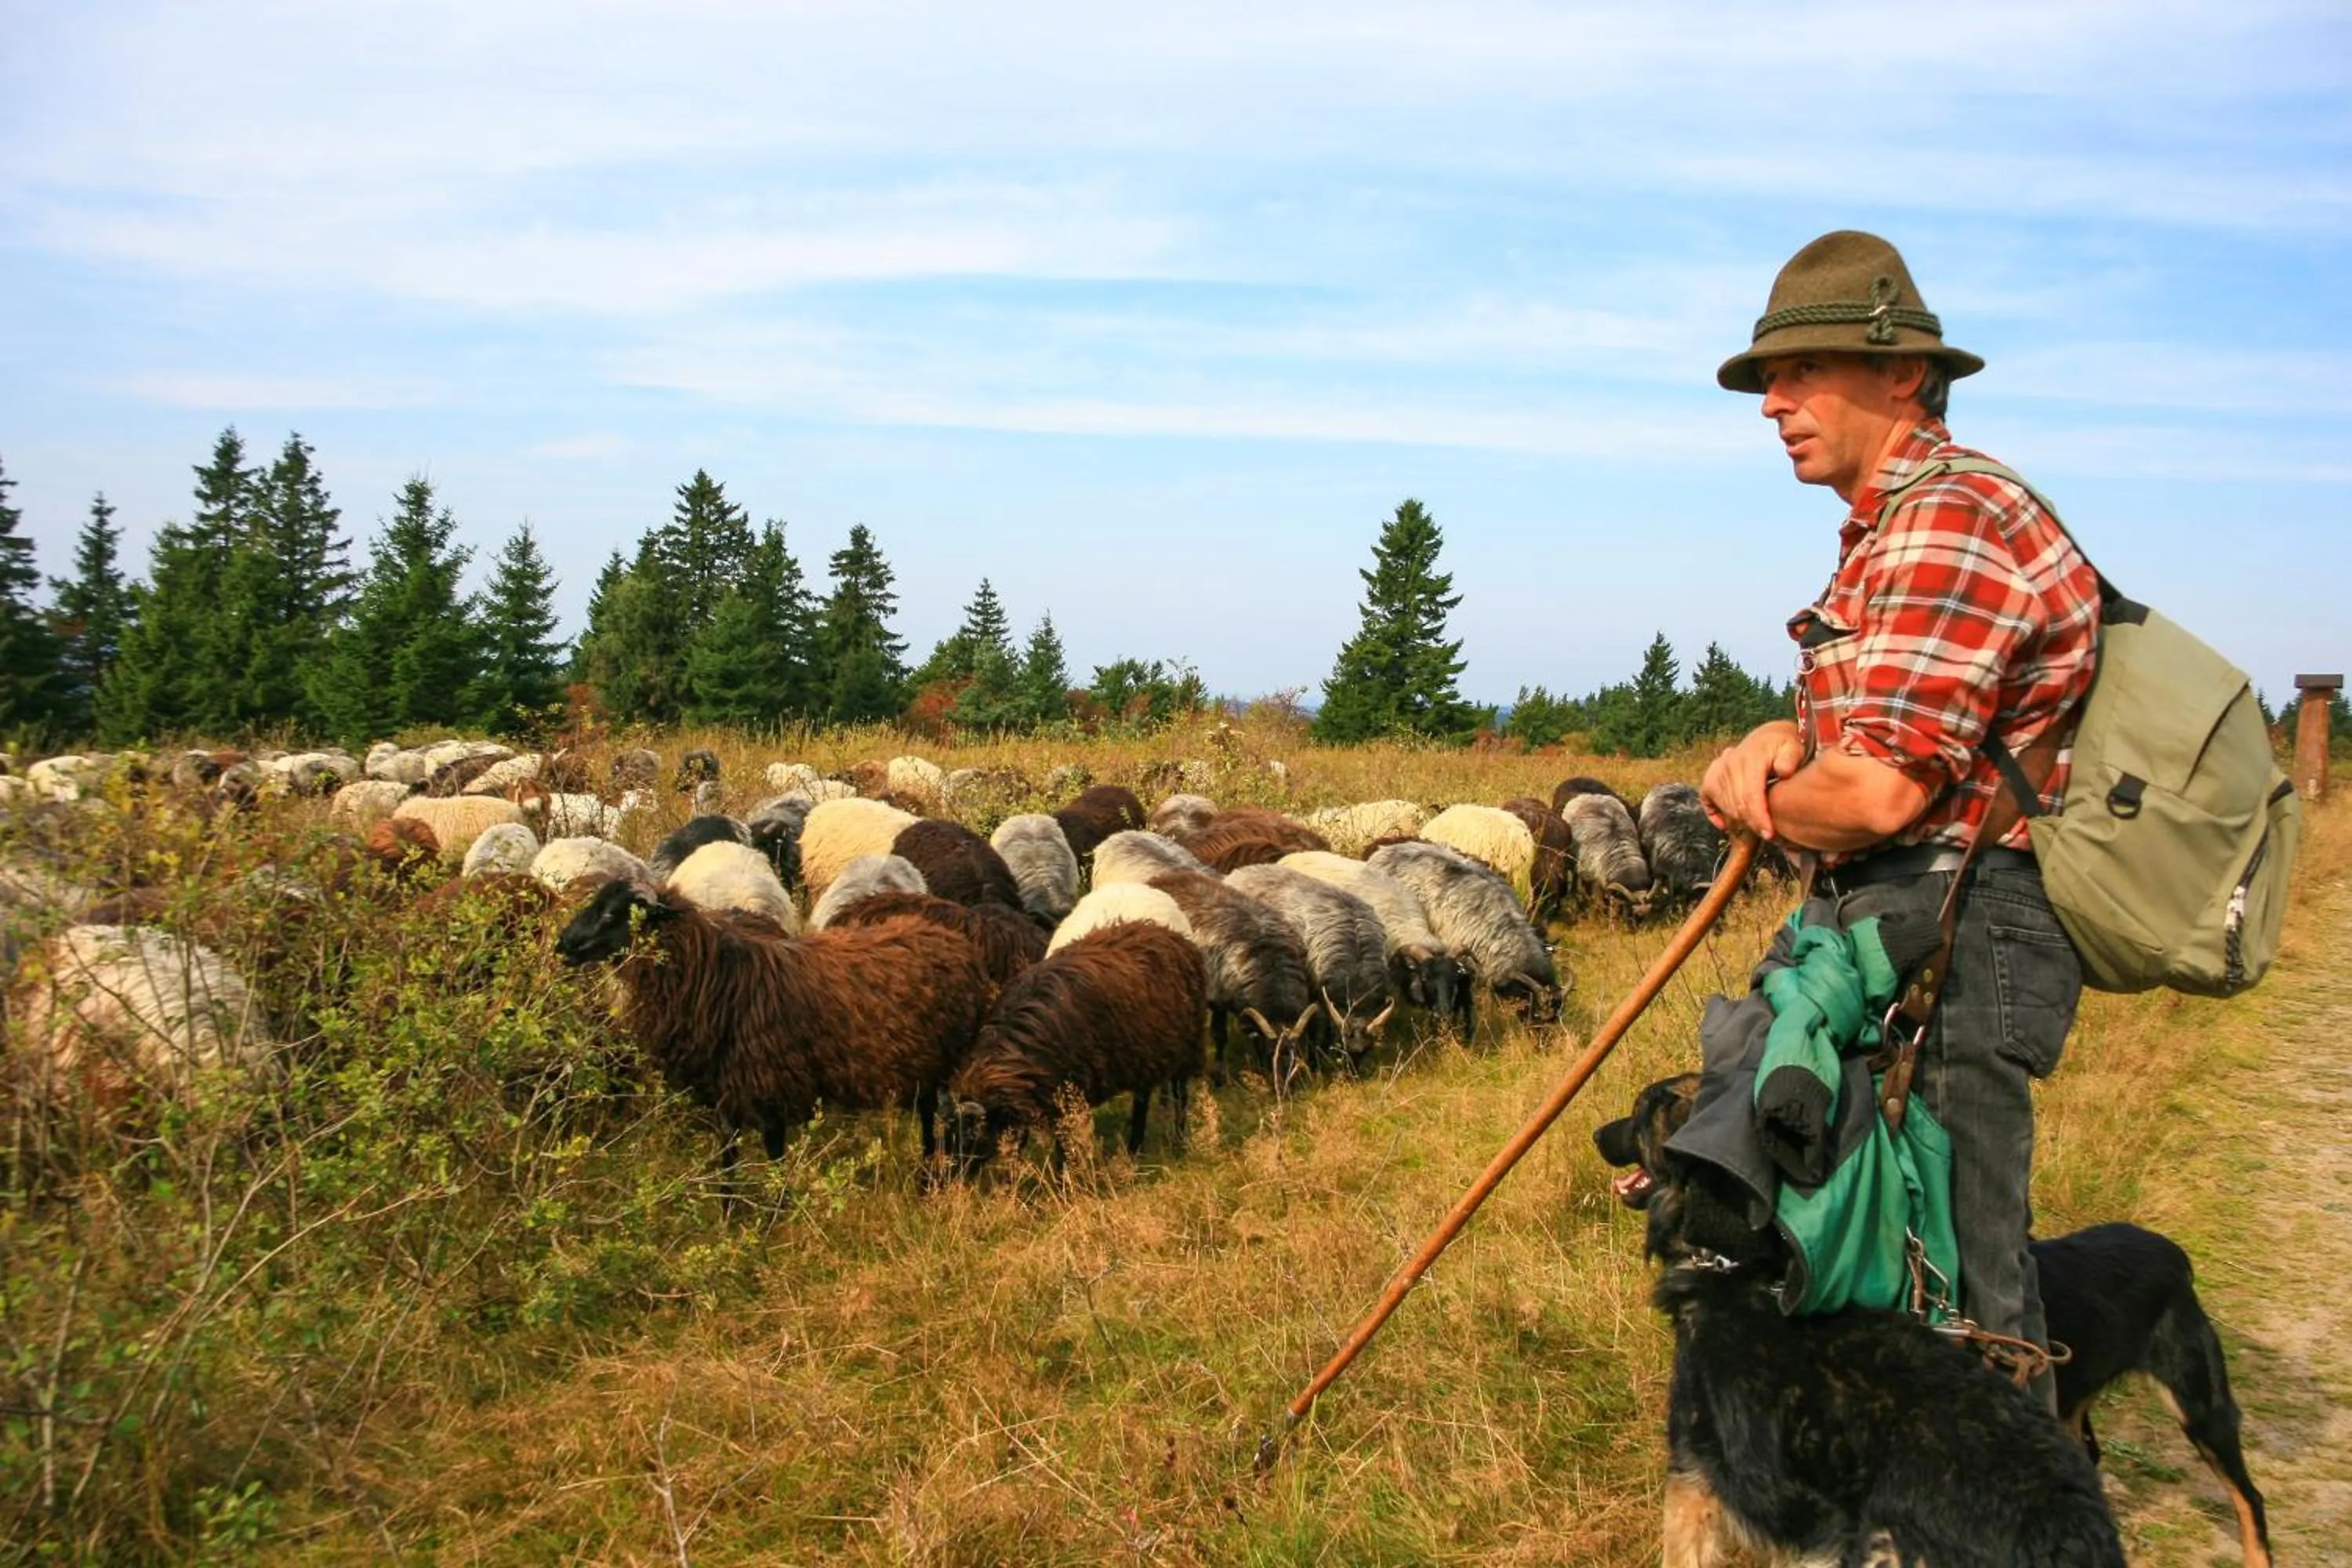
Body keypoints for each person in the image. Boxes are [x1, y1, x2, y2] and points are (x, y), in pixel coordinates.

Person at [1698, 230, 2100, 1377]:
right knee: (1874, 1241)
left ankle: (2014, 1519)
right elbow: (1869, 743)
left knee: (1964, 1279)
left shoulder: (1949, 519)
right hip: (1908, 930)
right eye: (1768, 379)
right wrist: (1788, 743)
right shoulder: (1884, 535)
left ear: (1902, 374)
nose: (1774, 402)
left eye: (1803, 370)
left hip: (1961, 933)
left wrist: (1756, 800)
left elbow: (1877, 793)